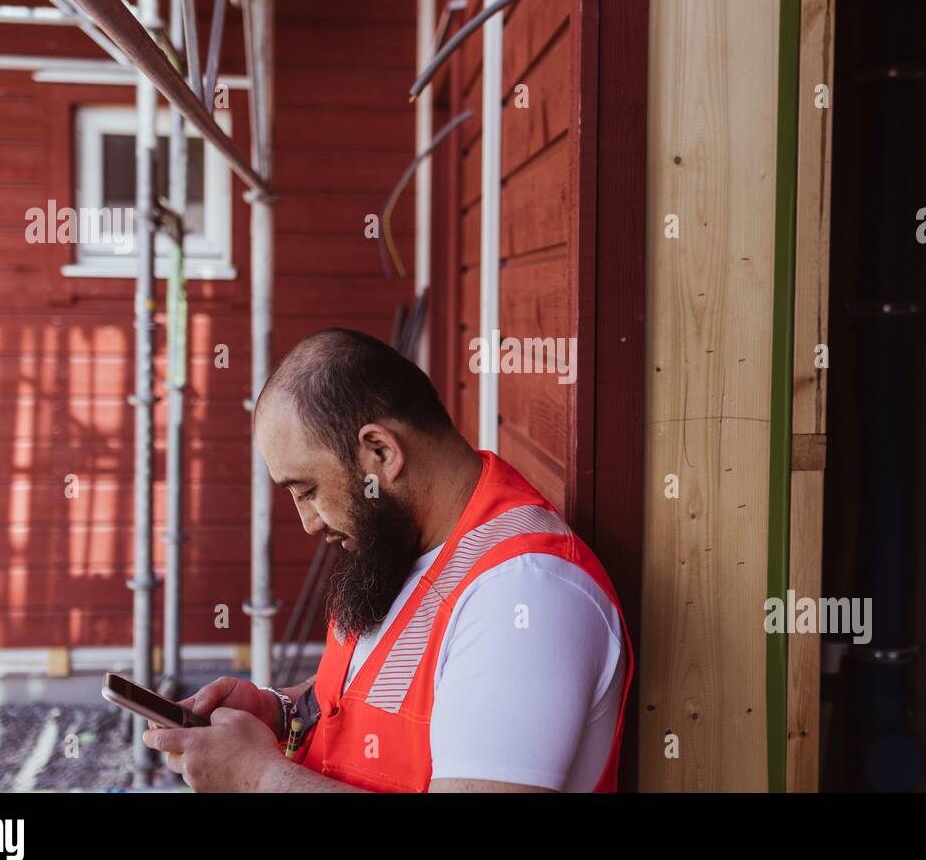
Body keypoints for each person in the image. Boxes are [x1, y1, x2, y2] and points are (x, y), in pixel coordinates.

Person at [144, 328, 631, 792]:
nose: (310, 523)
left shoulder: (526, 598)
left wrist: (259, 779)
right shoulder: (402, 544)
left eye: (309, 491)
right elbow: (366, 693)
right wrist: (282, 711)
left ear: (380, 451)